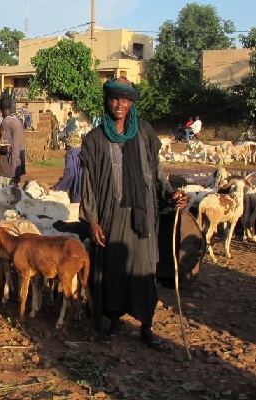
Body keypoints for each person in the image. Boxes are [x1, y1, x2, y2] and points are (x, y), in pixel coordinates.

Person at [79, 78, 188, 350]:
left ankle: (147, 326)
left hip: (143, 214)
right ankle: (115, 323)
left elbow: (157, 171)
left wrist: (170, 193)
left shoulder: (145, 132)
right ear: (107, 101)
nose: (120, 104)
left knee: (144, 269)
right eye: (116, 99)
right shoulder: (94, 139)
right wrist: (91, 219)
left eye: (126, 100)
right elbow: (89, 184)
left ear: (131, 103)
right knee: (113, 268)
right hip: (111, 214)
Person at [53, 133, 83, 203]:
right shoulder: (85, 152)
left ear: (69, 145)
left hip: (78, 191)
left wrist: (58, 187)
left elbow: (70, 174)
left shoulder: (70, 154)